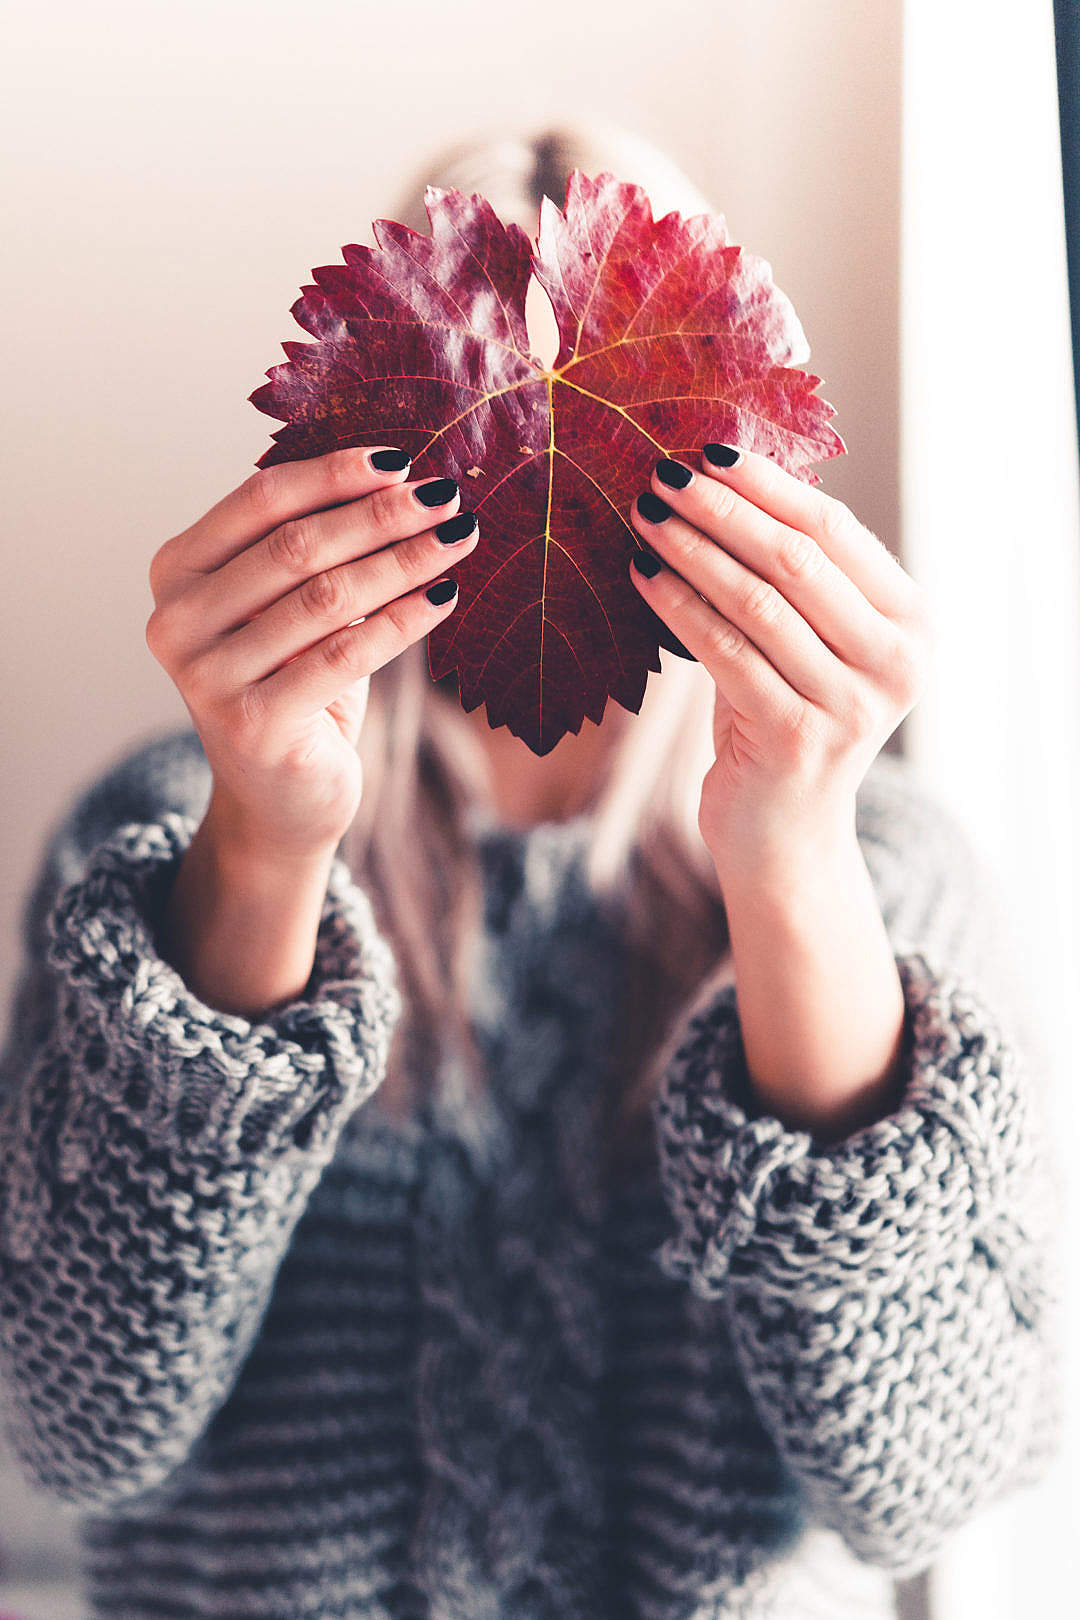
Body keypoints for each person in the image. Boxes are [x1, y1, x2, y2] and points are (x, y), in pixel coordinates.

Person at [0, 119, 1064, 1620]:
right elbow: (73, 1425)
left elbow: (936, 1481)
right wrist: (261, 844)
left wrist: (793, 867)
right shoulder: (166, 839)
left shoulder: (888, 865)